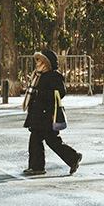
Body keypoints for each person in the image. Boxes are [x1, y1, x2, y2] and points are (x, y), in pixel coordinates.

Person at [22, 49, 81, 177]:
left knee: (50, 140)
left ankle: (72, 158)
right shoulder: (38, 75)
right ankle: (37, 166)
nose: (38, 63)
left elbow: (60, 92)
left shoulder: (53, 76)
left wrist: (40, 93)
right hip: (39, 114)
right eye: (38, 61)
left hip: (47, 114)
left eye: (41, 61)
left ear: (47, 63)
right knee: (39, 140)